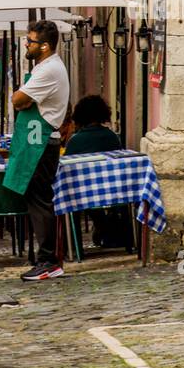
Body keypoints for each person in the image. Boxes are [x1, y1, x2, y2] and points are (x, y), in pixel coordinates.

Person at [7, 19, 70, 282]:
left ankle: (48, 261)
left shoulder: (48, 71)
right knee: (35, 199)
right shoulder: (46, 67)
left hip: (41, 145)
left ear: (44, 46)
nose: (26, 44)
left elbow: (18, 99)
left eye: (30, 41)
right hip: (37, 142)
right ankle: (46, 258)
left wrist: (20, 95)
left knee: (40, 201)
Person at [65, 94, 129, 251]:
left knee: (82, 198)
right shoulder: (112, 137)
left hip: (83, 194)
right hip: (113, 191)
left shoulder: (75, 141)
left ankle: (78, 243)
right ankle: (108, 229)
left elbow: (66, 167)